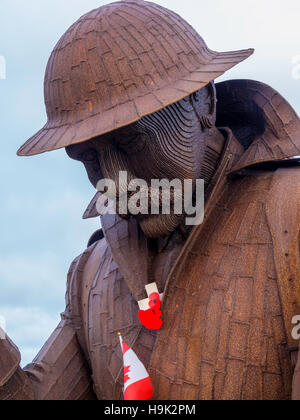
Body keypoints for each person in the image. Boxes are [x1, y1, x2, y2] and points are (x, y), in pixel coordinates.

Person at [1, 0, 300, 400]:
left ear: (204, 103)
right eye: (89, 158)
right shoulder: (90, 273)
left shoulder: (291, 219)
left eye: (132, 141)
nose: (115, 185)